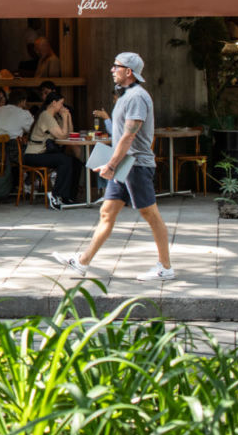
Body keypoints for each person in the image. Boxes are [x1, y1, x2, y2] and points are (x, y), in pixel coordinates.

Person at [53, 52, 175, 281]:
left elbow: (129, 136)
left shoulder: (137, 97)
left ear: (128, 72)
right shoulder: (127, 95)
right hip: (124, 166)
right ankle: (82, 262)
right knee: (106, 213)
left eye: (116, 66)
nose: (112, 70)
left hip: (136, 166)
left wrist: (111, 164)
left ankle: (165, 268)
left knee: (151, 215)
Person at [24, 91, 77, 209]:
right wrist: (64, 116)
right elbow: (62, 136)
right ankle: (56, 195)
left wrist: (67, 117)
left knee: (73, 161)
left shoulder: (53, 117)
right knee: (65, 160)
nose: (62, 107)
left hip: (42, 153)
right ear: (54, 103)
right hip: (34, 155)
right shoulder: (46, 116)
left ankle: (67, 196)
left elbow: (69, 134)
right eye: (61, 104)